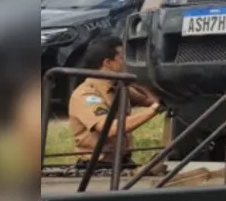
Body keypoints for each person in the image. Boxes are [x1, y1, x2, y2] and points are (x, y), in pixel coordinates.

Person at [68, 35, 164, 168]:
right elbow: (110, 129)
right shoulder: (85, 94)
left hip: (122, 161)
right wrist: (155, 109)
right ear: (108, 63)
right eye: (122, 58)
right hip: (97, 166)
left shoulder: (120, 86)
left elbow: (152, 100)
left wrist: (139, 79)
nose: (127, 61)